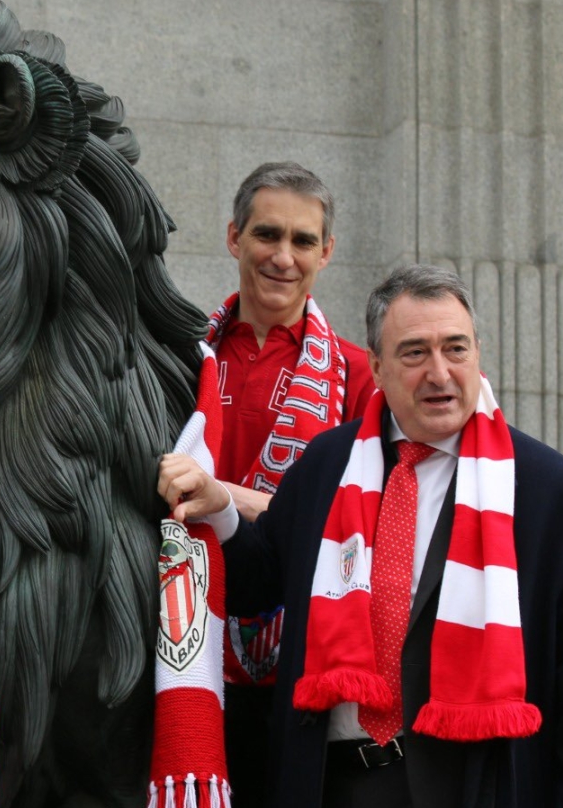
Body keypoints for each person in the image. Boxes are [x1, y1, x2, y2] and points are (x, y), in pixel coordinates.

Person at [158, 265, 563, 807]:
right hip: (334, 784)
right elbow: (258, 585)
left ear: (478, 354)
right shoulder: (328, 465)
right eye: (414, 353)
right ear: (377, 367)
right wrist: (219, 509)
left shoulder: (548, 490)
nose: (439, 373)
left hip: (476, 787)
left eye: (456, 349)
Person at [206, 162, 374, 803]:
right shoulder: (183, 360)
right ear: (233, 237)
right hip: (178, 646)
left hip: (303, 668)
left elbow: (358, 519)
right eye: (266, 235)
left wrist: (225, 500)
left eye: (303, 241)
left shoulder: (360, 379)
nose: (283, 256)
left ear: (326, 252)